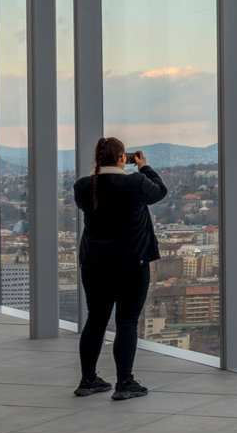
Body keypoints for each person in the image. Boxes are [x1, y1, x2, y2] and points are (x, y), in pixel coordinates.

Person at [71, 137, 166, 400]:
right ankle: (124, 383)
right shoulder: (135, 183)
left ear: (97, 159)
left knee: (96, 319)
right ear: (123, 158)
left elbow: (94, 196)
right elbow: (160, 191)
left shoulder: (83, 186)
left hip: (95, 265)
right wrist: (144, 167)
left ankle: (88, 380)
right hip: (131, 265)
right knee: (127, 322)